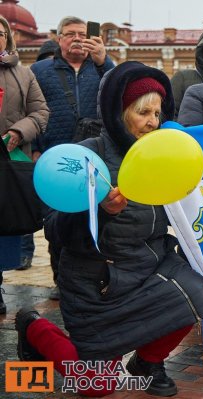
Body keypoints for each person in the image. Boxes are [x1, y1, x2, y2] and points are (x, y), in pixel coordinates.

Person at [15, 61, 203, 397]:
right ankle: (33, 327)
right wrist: (99, 210)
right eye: (143, 112)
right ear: (118, 111)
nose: (153, 122)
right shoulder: (85, 157)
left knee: (200, 294)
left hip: (148, 267)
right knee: (98, 387)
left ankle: (147, 361)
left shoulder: (163, 155)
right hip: (97, 283)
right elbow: (55, 231)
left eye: (157, 112)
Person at [30, 16, 115, 300]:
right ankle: (60, 279)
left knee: (94, 217)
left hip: (94, 156)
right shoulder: (40, 70)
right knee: (56, 221)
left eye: (83, 34)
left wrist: (104, 61)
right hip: (54, 158)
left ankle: (92, 277)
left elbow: (117, 94)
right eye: (70, 34)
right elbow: (32, 110)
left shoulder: (101, 68)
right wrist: (35, 148)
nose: (78, 38)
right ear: (59, 38)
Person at [0, 15, 49, 310]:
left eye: (0, 33)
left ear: (8, 37)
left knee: (6, 222)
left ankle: (0, 285)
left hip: (10, 159)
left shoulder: (24, 73)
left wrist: (19, 132)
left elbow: (41, 112)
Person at [16, 39, 59, 272]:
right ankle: (25, 252)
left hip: (56, 147)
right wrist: (34, 147)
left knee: (52, 209)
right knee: (25, 203)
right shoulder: (33, 77)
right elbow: (30, 115)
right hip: (33, 148)